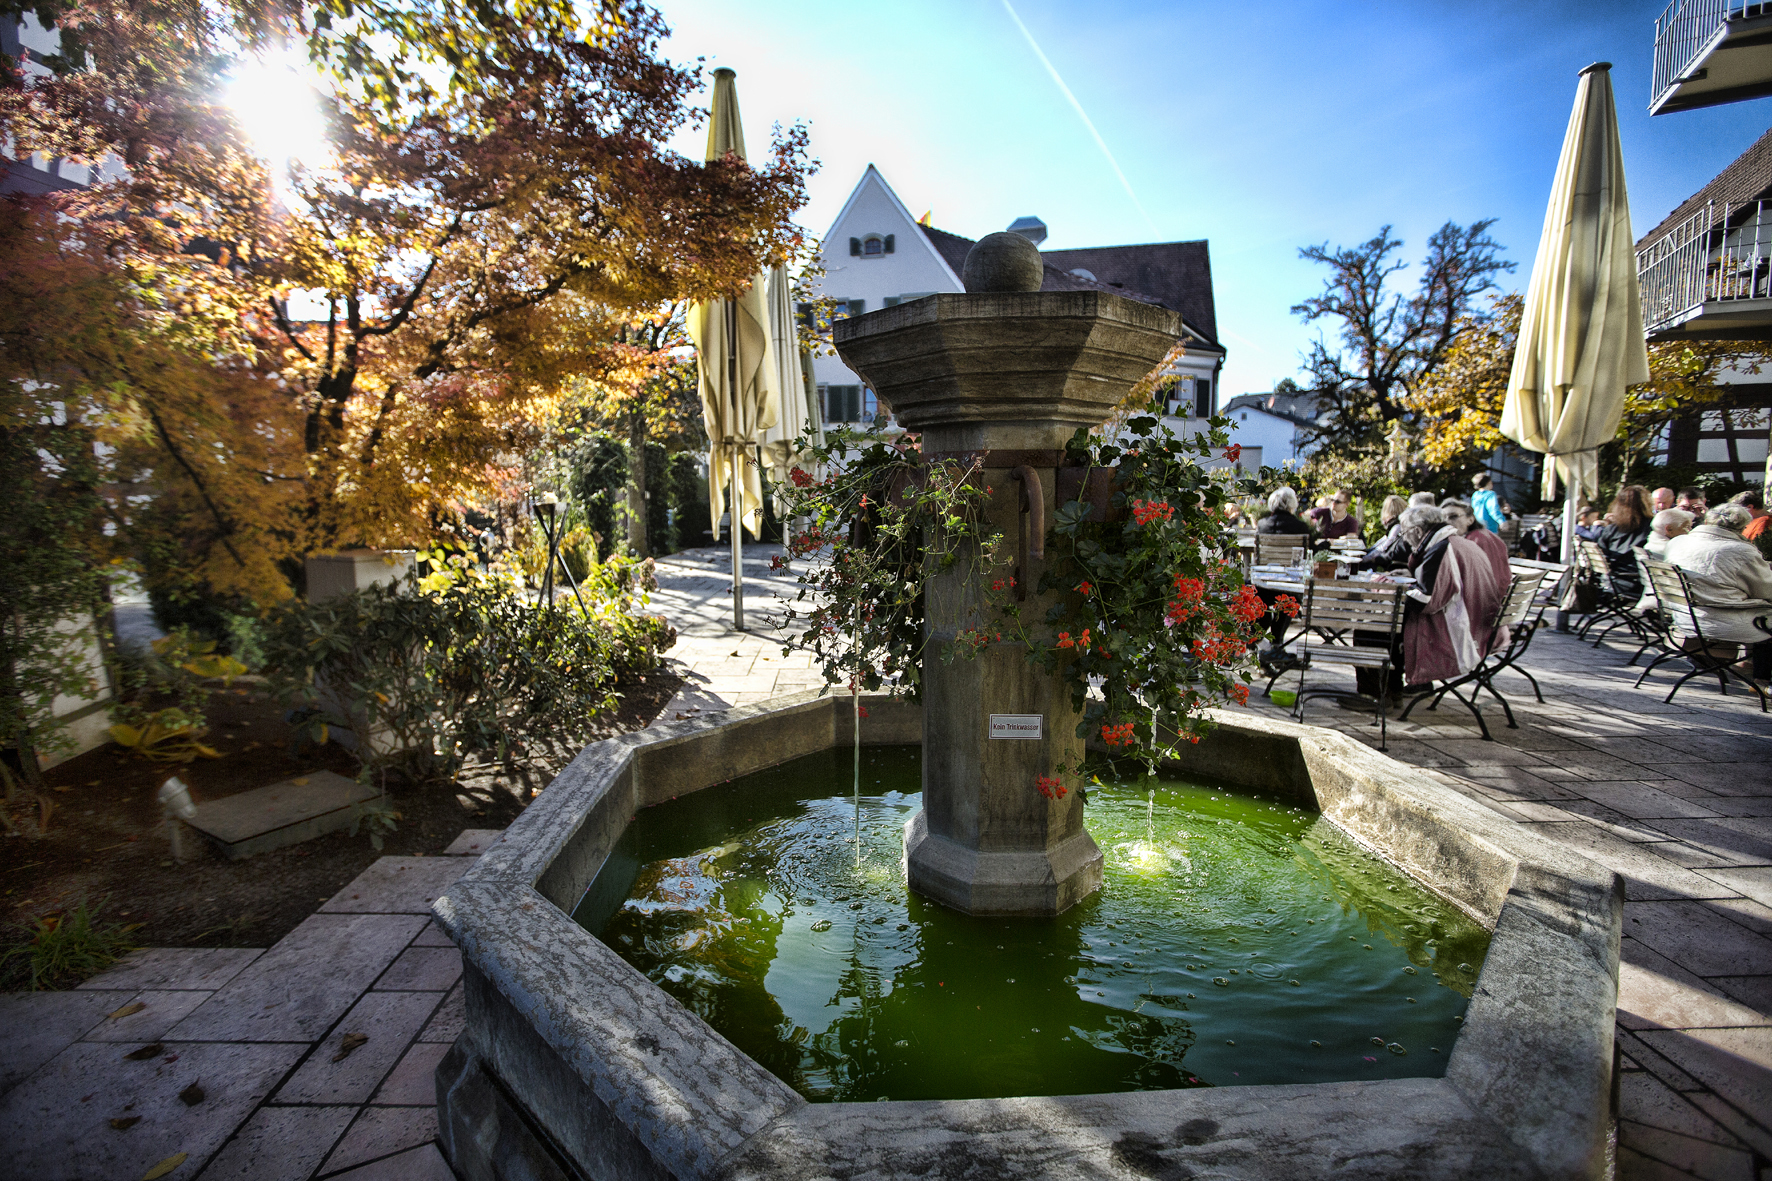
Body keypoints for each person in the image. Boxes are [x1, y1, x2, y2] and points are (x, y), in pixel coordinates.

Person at [1664, 504, 1772, 687]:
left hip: (1684, 616)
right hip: (1720, 622)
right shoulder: (1740, 551)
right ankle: (1763, 678)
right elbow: (1766, 590)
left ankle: (1758, 673)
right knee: (1766, 616)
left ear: (1708, 521)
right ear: (1743, 527)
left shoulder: (1679, 542)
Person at [1400, 504, 1506, 687]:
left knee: (1373, 629)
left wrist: (1389, 590)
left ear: (1417, 531)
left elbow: (1424, 602)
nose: (1404, 538)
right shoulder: (1460, 542)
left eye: (1404, 532)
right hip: (1481, 628)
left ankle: (1381, 695)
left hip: (1459, 636)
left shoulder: (1441, 549)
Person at [1591, 485, 1653, 602]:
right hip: (1637, 584)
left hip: (1609, 581)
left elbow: (1600, 552)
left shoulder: (1611, 529)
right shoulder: (1652, 527)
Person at [1442, 499, 1510, 591]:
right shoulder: (1483, 536)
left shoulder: (1474, 542)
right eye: (1442, 518)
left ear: (1470, 520)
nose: (1446, 522)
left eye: (1453, 516)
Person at [1352, 494, 1411, 572]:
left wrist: (1365, 558)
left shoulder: (1397, 526)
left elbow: (1385, 546)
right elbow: (1382, 542)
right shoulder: (1395, 525)